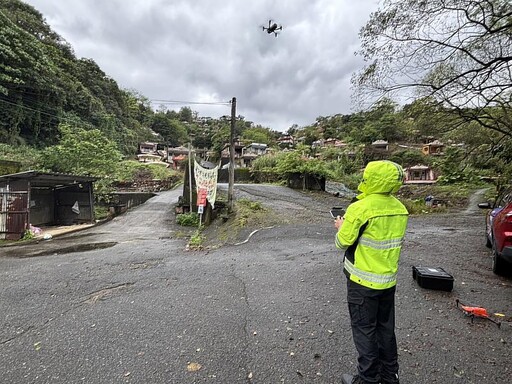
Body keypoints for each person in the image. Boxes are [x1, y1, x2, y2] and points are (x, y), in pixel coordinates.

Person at [334, 160, 409, 384]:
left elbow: (342, 242)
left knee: (365, 331)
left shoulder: (360, 207)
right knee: (386, 331)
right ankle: (389, 377)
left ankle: (367, 380)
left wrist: (340, 226)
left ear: (371, 179)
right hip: (387, 281)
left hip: (362, 282)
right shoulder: (400, 208)